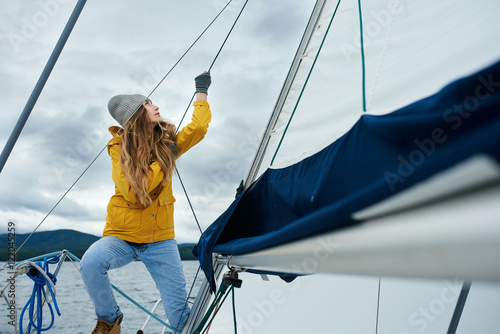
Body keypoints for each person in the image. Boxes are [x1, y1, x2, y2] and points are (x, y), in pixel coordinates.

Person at [80, 72, 212, 334]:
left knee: (179, 317)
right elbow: (132, 190)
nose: (156, 106)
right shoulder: (118, 147)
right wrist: (164, 161)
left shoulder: (167, 144)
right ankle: (109, 321)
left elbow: (197, 128)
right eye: (149, 104)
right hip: (121, 236)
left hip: (160, 239)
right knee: (91, 263)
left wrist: (201, 90)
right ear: (137, 114)